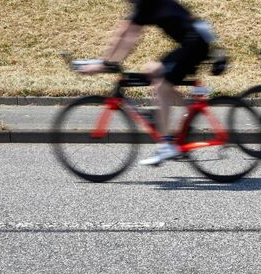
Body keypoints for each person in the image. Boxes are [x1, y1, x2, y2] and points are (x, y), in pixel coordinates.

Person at [79, 0, 217, 166]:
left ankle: (166, 145)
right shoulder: (143, 4)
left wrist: (106, 64)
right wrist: (106, 62)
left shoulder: (144, 2)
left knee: (161, 86)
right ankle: (190, 108)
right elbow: (125, 32)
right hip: (193, 42)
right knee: (152, 72)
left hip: (194, 44)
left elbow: (129, 36)